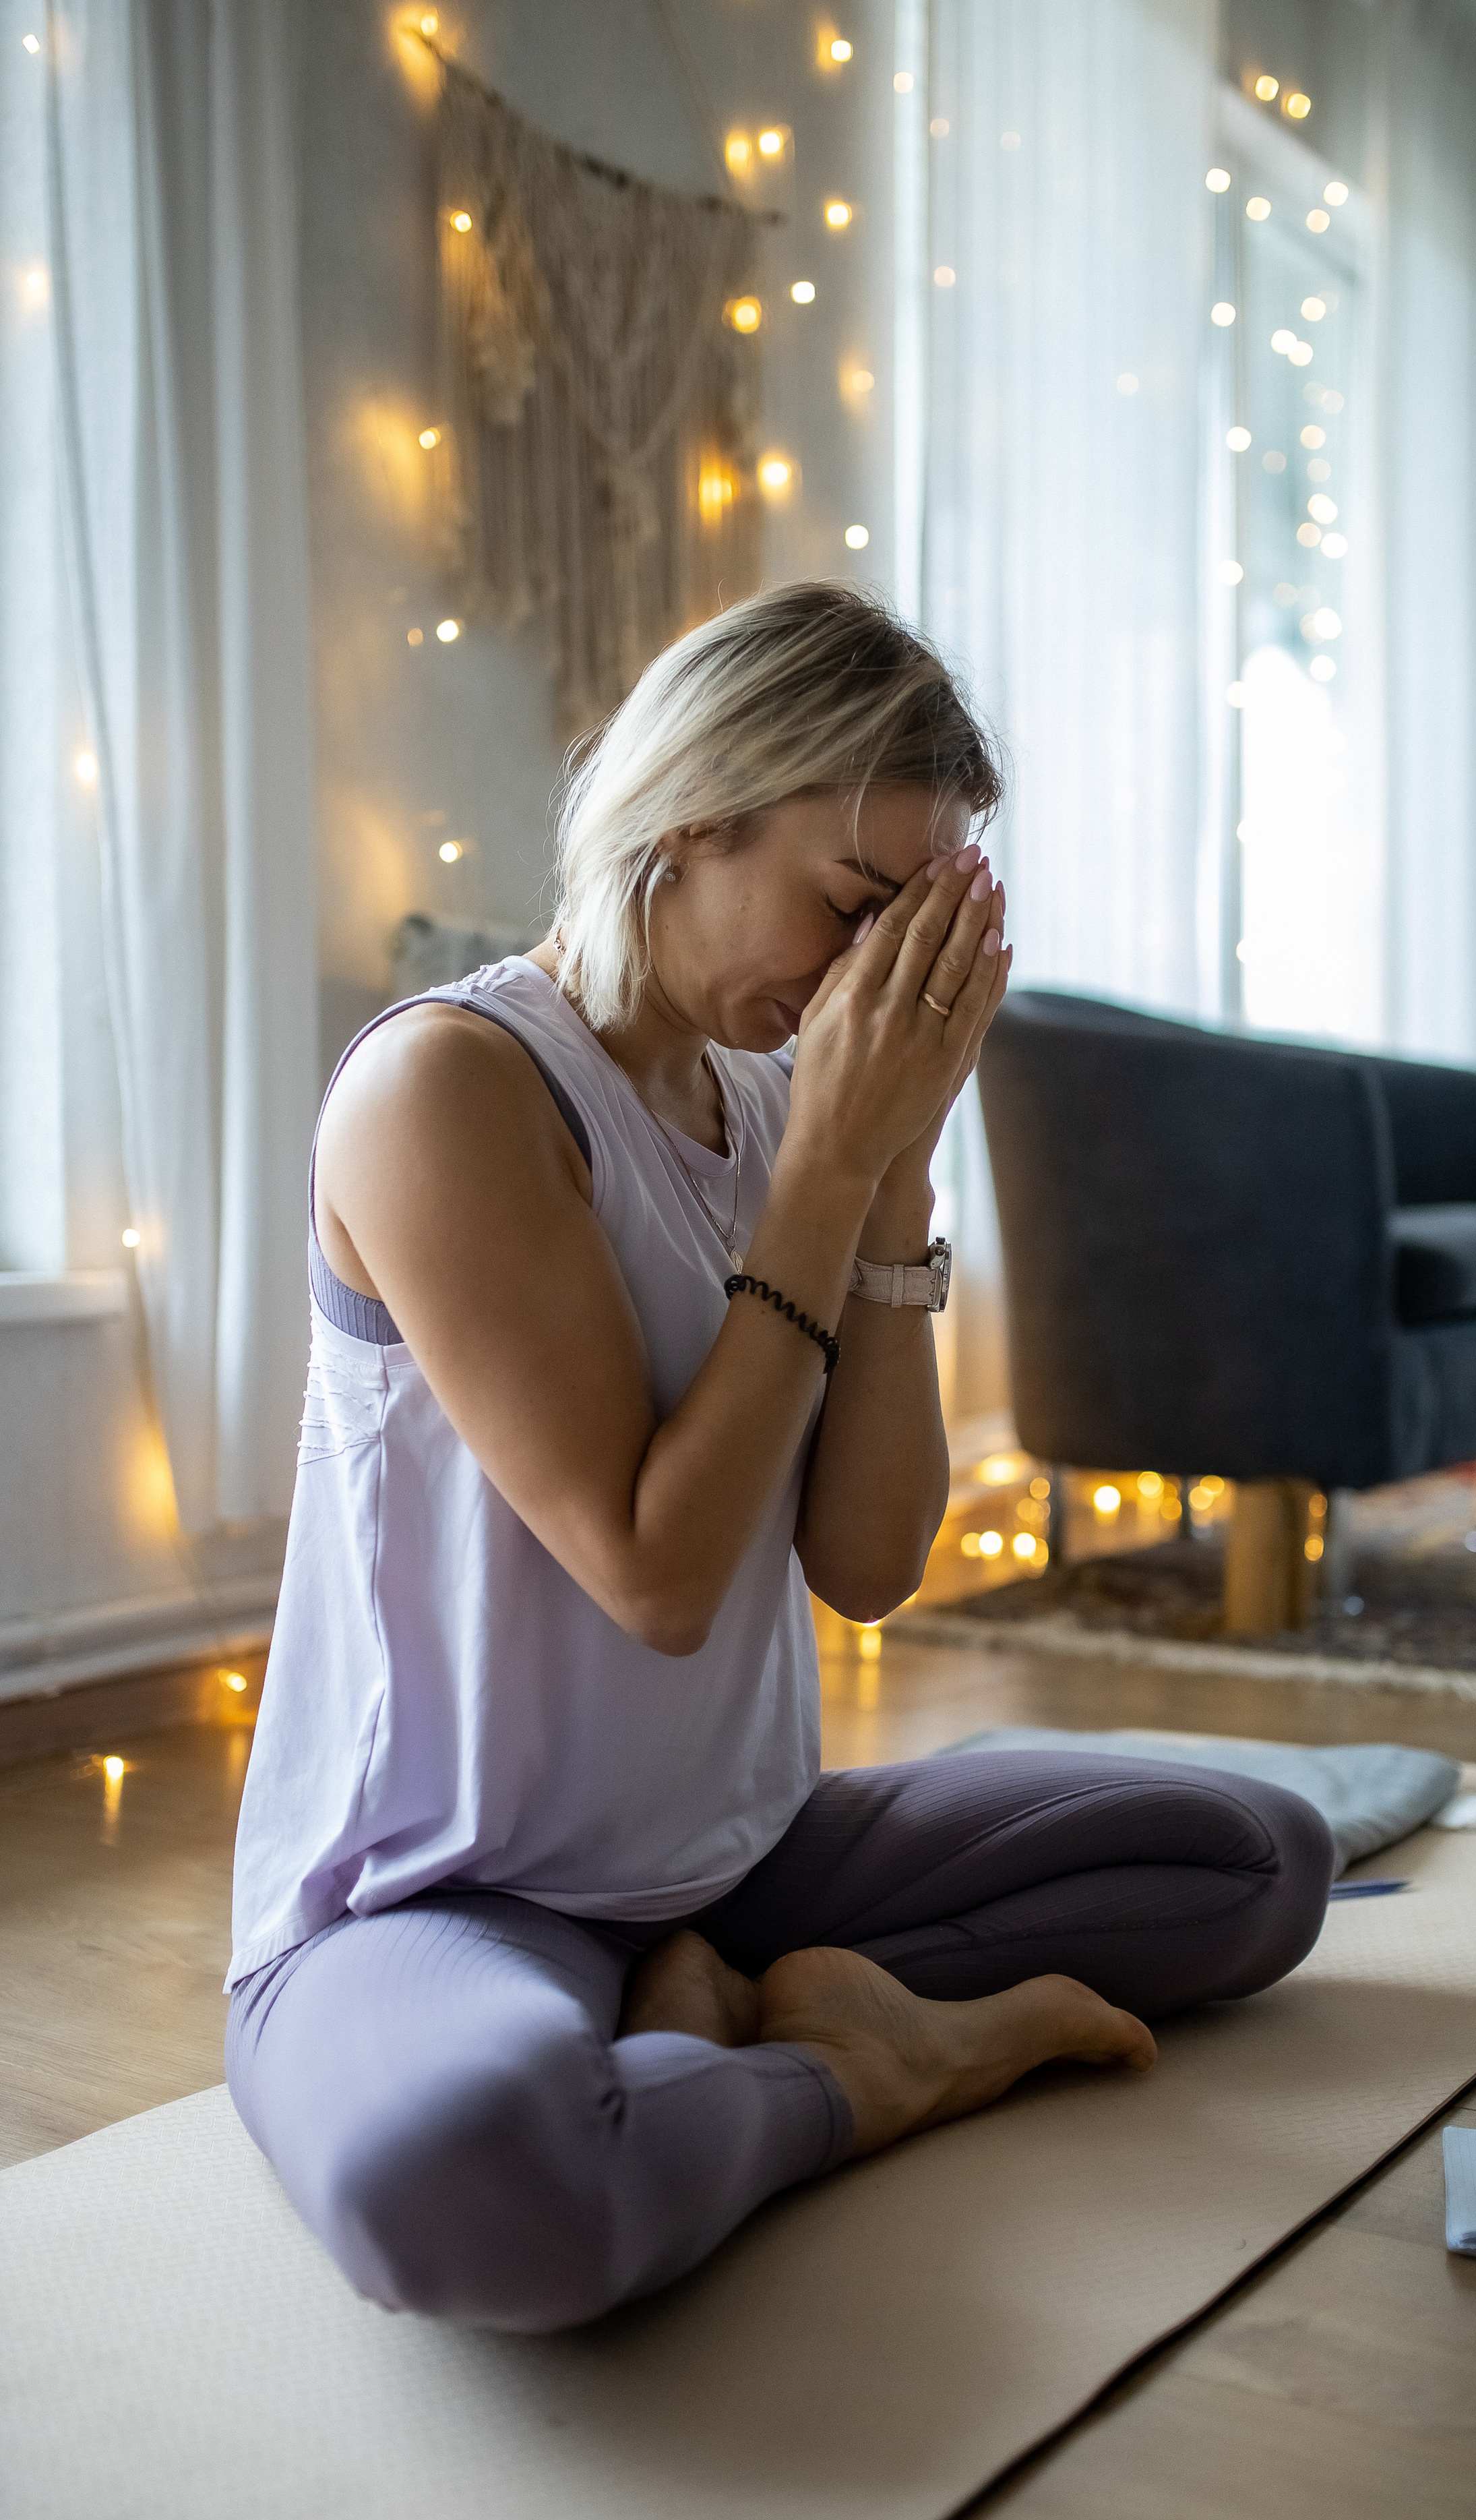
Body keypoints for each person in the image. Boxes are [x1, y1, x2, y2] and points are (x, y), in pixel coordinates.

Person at [226, 582, 1331, 2333]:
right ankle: (872, 2070)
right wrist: (830, 1171)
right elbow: (656, 1576)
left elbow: (872, 1565)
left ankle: (723, 2005)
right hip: (439, 1893)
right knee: (476, 2179)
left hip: (734, 1860)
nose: (861, 984)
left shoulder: (778, 1109)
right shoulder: (446, 1090)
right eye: (851, 910)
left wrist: (890, 1177)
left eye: (912, 941)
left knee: (1259, 1865)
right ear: (693, 807)